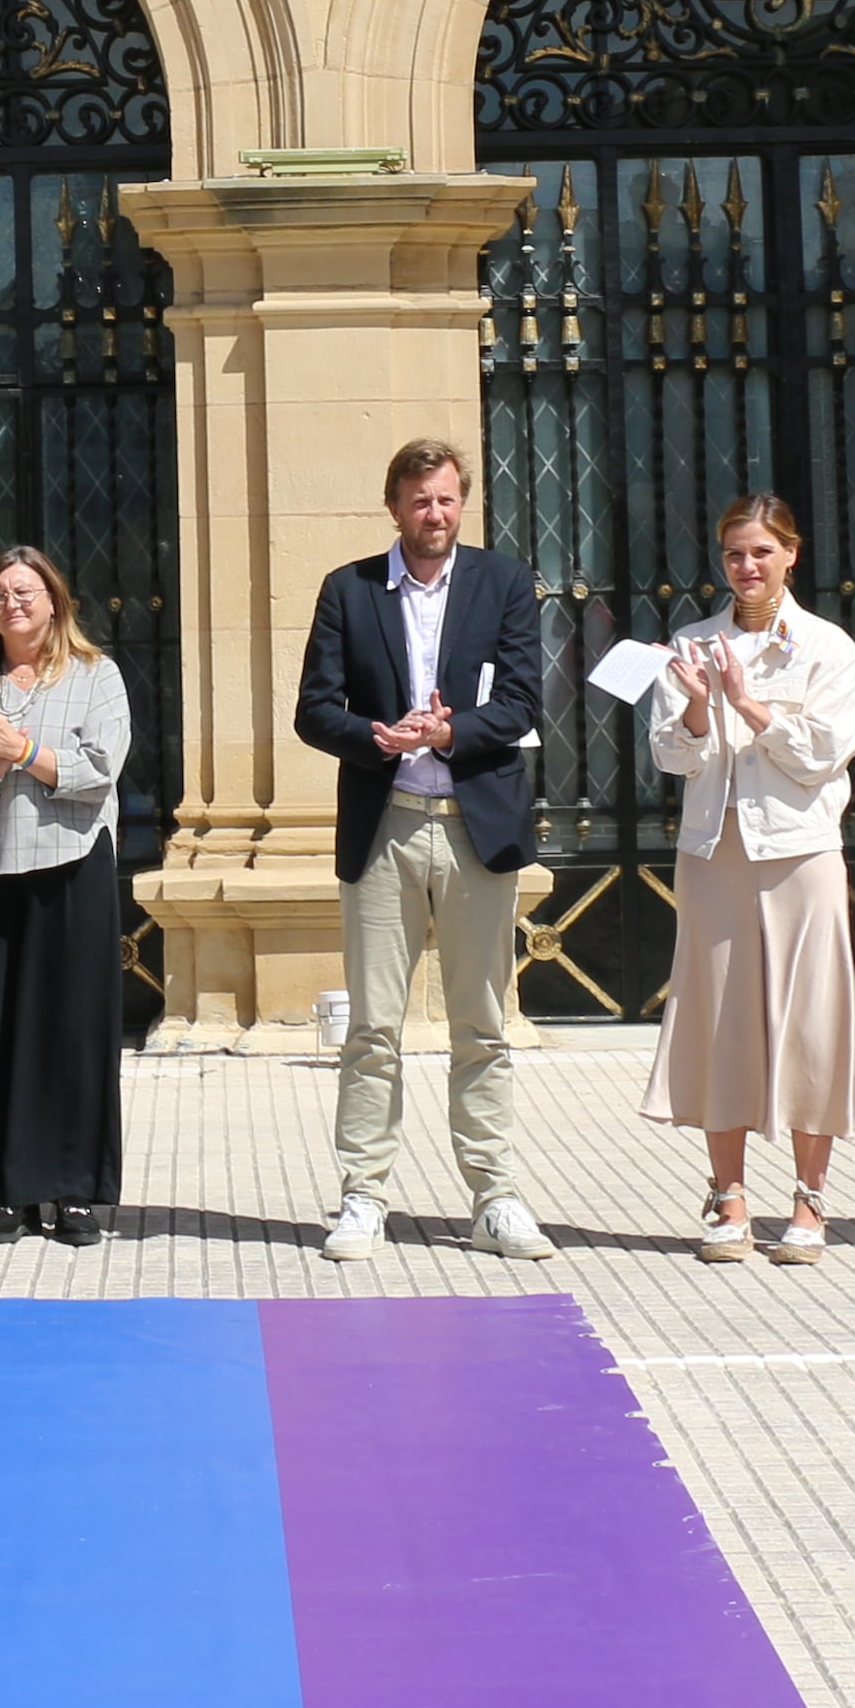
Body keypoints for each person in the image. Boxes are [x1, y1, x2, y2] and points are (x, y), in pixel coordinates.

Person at [291, 437, 555, 1264]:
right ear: (394, 505)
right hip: (388, 822)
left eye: (445, 499)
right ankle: (363, 1196)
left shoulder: (505, 583)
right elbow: (311, 709)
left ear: (460, 502)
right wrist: (374, 734)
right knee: (373, 1026)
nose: (433, 514)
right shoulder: (350, 588)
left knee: (483, 1023)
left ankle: (494, 1195)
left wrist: (451, 730)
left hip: (477, 825)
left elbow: (518, 701)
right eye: (418, 500)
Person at [640, 495, 855, 1265]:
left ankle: (809, 1197)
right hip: (715, 850)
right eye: (735, 553)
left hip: (801, 850)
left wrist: (749, 703)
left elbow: (824, 754)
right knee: (718, 1017)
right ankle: (728, 1195)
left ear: (791, 554)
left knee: (812, 1018)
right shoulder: (692, 640)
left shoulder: (827, 646)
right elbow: (674, 756)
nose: (747, 566)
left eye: (762, 552)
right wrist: (702, 709)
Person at [0, 545, 133, 1247]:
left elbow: (99, 768)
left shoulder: (96, 675)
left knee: (68, 1031)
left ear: (54, 599)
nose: (14, 602)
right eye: (0, 593)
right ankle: (7, 1191)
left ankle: (71, 1191)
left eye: (27, 590)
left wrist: (22, 750)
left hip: (71, 868)